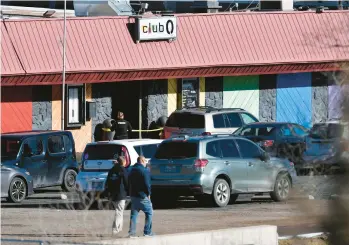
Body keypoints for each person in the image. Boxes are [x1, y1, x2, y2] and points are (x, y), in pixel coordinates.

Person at [128, 156, 154, 237]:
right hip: (142, 195)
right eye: (145, 161)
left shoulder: (131, 170)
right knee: (149, 212)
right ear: (142, 161)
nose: (146, 163)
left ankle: (132, 233)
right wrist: (148, 194)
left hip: (133, 195)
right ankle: (147, 232)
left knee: (134, 215)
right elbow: (147, 184)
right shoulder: (144, 170)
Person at [105, 156, 129, 235]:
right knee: (119, 212)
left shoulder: (111, 170)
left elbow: (107, 182)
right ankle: (115, 229)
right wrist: (129, 191)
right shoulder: (122, 169)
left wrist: (108, 193)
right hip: (120, 194)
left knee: (118, 211)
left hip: (113, 194)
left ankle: (119, 228)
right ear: (123, 162)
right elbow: (126, 182)